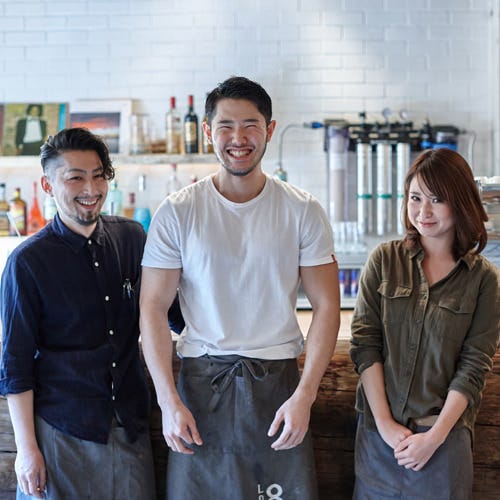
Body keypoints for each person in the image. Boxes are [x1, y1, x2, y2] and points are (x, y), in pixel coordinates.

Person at [139, 76, 340, 499]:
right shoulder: (178, 211)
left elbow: (327, 306)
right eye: (226, 126)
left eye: (251, 125)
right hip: (199, 389)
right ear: (208, 131)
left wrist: (305, 395)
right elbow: (153, 308)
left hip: (279, 388)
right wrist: (168, 402)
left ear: (269, 130)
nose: (238, 138)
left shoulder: (303, 210)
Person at [0, 127, 184, 499]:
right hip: (61, 432)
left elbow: (174, 314)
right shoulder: (27, 263)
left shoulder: (132, 237)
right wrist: (26, 450)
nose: (91, 188)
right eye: (76, 177)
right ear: (49, 185)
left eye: (99, 175)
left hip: (129, 427)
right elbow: (14, 364)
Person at [350, 148, 500, 499]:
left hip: (443, 444)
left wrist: (433, 438)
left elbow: (474, 366)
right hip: (378, 440)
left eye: (437, 199)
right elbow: (365, 344)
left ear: (461, 202)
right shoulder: (384, 260)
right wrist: (386, 426)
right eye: (415, 198)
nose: (423, 211)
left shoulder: (483, 280)